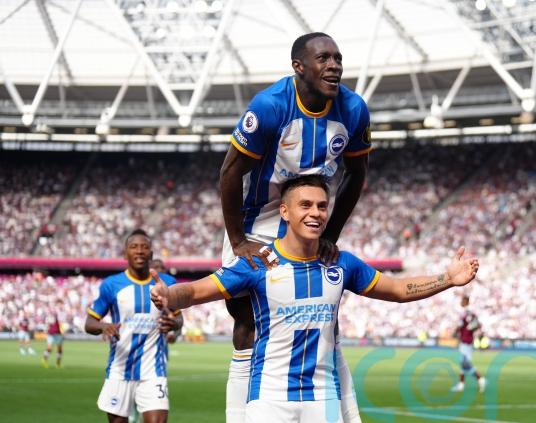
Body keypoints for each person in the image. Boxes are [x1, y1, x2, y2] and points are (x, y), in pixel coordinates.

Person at [151, 175, 479, 423]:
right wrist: (168, 294)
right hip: (269, 398)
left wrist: (447, 279)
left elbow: (396, 290)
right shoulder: (258, 263)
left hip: (323, 398)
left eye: (322, 206)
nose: (316, 213)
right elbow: (196, 291)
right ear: (284, 211)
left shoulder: (342, 263)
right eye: (305, 205)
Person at [220, 32, 371, 422]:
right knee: (247, 321)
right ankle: (239, 416)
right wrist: (238, 241)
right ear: (298, 67)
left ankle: (344, 414)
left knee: (324, 322)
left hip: (309, 219)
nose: (334, 66)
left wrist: (331, 234)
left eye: (338, 58)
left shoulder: (354, 109)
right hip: (257, 223)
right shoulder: (270, 106)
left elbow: (357, 173)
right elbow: (230, 172)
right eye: (323, 58)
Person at [85, 229, 183, 423]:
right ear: (125, 254)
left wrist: (174, 324)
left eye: (144, 247)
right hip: (120, 369)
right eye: (134, 247)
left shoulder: (167, 283)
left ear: (151, 254)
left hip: (154, 370)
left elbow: (179, 319)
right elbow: (89, 323)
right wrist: (104, 327)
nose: (139, 251)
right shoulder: (111, 285)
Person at [451, 295, 486, 393]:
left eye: (462, 300)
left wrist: (455, 332)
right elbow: (477, 325)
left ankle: (480, 379)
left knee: (464, 363)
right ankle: (461, 385)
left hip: (466, 341)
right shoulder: (470, 313)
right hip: (467, 340)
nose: (460, 302)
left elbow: (462, 325)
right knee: (463, 363)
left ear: (465, 301)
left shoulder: (466, 313)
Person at [42, 302, 64, 368]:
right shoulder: (52, 314)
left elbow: (61, 323)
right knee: (50, 348)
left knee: (59, 349)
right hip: (51, 333)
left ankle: (58, 364)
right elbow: (49, 322)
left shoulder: (61, 313)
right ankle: (44, 359)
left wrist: (62, 330)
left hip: (58, 333)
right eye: (59, 305)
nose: (60, 306)